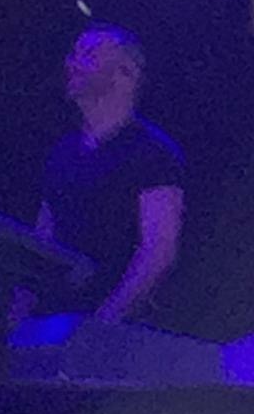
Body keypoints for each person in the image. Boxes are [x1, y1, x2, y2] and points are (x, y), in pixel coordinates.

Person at [17, 24, 186, 325]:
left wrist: (104, 322)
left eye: (89, 54)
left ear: (126, 73)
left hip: (122, 334)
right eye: (74, 54)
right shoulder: (62, 153)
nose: (72, 63)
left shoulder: (151, 152)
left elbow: (159, 250)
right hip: (56, 325)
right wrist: (20, 311)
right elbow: (43, 237)